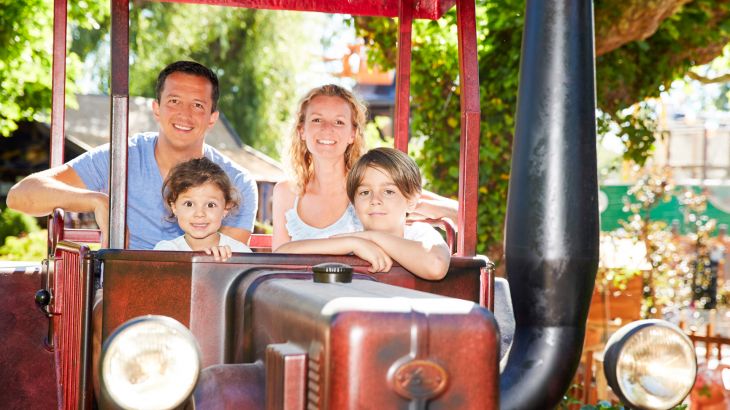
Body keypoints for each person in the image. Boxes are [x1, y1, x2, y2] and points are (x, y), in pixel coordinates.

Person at [6, 60, 258, 248]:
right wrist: (98, 201)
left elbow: (223, 269)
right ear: (156, 109)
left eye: (198, 105)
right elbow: (20, 196)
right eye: (174, 101)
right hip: (120, 294)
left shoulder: (237, 183)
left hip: (195, 298)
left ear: (212, 118)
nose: (184, 114)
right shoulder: (121, 157)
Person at [272, 84, 458, 251]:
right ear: (302, 130)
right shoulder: (286, 193)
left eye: (339, 122)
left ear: (352, 134)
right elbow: (276, 264)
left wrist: (416, 207)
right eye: (317, 120)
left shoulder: (372, 184)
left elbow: (458, 214)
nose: (327, 128)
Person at [276, 147, 451, 280]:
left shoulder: (419, 234)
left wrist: (372, 237)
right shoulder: (349, 237)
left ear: (411, 201)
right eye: (365, 192)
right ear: (353, 203)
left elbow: (436, 265)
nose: (375, 200)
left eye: (389, 191)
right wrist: (353, 242)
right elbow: (281, 254)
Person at [154, 157, 252, 260]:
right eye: (189, 204)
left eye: (210, 205)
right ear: (174, 207)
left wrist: (226, 267)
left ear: (226, 208)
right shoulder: (166, 252)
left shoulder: (238, 253)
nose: (199, 213)